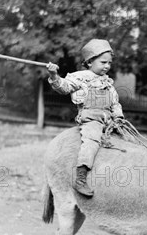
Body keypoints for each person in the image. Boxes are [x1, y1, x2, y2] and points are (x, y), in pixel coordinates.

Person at [46, 39, 124, 197]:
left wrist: (119, 117)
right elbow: (63, 87)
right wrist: (54, 75)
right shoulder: (80, 78)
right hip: (91, 121)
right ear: (89, 62)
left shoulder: (108, 83)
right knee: (92, 140)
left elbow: (115, 102)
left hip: (109, 122)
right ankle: (81, 176)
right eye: (103, 62)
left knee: (128, 141)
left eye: (109, 63)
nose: (107, 66)